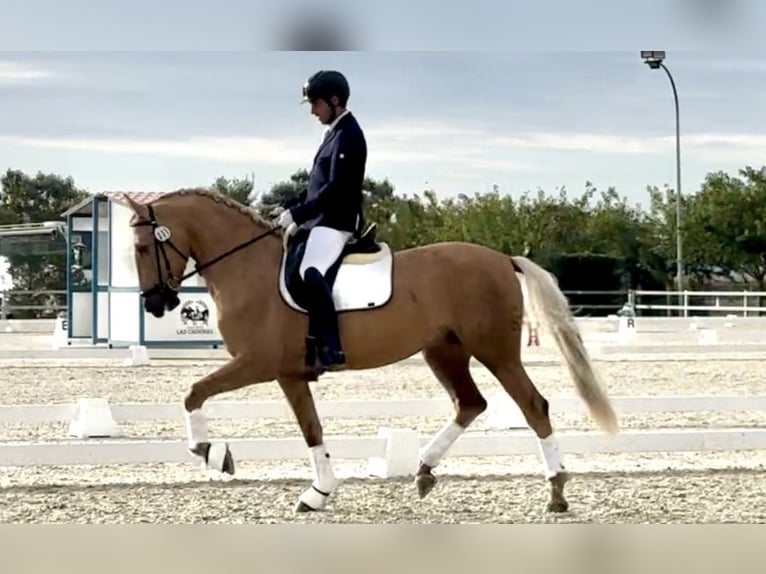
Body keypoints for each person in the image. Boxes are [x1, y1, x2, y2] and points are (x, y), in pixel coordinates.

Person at [275, 69, 368, 371]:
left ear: (334, 100)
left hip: (337, 223)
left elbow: (335, 189)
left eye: (315, 104)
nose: (313, 111)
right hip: (321, 221)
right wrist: (292, 205)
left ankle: (331, 347)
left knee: (310, 271)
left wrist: (299, 215)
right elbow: (316, 185)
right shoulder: (334, 135)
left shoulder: (349, 135)